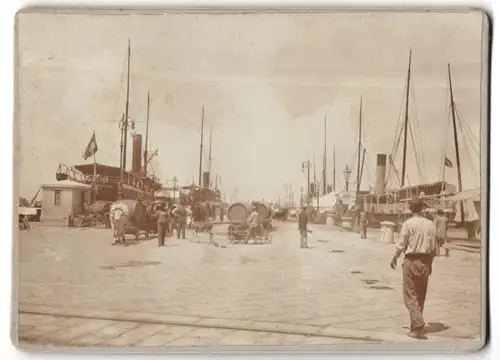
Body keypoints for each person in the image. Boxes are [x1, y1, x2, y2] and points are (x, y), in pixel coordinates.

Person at [390, 198, 437, 340]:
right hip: (426, 260)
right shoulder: (430, 225)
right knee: (420, 294)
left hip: (411, 260)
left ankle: (418, 325)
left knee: (410, 295)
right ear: (422, 208)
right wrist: (430, 263)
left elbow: (401, 244)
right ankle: (415, 326)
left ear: (411, 208)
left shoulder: (408, 224)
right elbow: (434, 248)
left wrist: (394, 257)